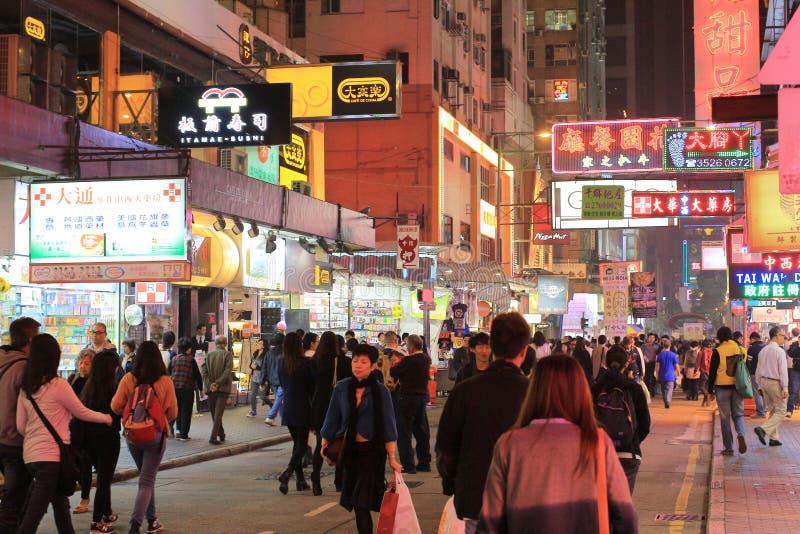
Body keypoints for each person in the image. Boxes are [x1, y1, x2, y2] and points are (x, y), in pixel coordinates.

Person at [477, 354, 637, 533]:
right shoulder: (597, 441)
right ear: (580, 391)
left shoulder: (510, 444)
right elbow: (625, 515)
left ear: (534, 390)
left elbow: (490, 520)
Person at [436, 312, 531, 532]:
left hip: (476, 498)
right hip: (523, 500)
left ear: (492, 348)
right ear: (524, 351)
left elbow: (446, 448)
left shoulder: (464, 391)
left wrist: (453, 484)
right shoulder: (535, 394)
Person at [15, 334, 113, 534]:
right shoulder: (58, 385)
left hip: (31, 457)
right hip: (51, 459)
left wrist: (36, 437)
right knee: (34, 514)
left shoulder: (26, 388)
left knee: (61, 507)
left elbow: (20, 426)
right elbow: (81, 412)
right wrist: (105, 418)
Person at [320, 344, 401, 534]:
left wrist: (392, 457)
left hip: (372, 453)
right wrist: (324, 446)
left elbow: (389, 425)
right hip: (350, 453)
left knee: (361, 502)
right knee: (358, 505)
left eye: (363, 362)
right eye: (355, 360)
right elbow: (331, 418)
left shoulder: (381, 391)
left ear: (373, 366)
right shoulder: (341, 387)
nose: (357, 365)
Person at [111, 340, 177, 534]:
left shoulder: (128, 379)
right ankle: (135, 524)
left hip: (132, 436)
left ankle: (153, 520)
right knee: (147, 481)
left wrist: (133, 413)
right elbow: (173, 412)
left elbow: (115, 406)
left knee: (146, 479)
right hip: (155, 436)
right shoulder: (165, 381)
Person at [0, 317, 41, 532]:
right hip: (15, 441)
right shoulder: (25, 367)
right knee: (14, 501)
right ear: (30, 340)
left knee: (16, 496)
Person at [76, 349, 123, 533]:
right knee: (104, 480)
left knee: (104, 477)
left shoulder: (89, 388)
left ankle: (107, 513)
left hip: (88, 440)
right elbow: (118, 413)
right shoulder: (113, 388)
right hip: (108, 439)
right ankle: (96, 523)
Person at [592, 346, 651, 494]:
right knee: (622, 506)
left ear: (605, 362)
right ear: (627, 364)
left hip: (599, 452)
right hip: (628, 453)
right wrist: (631, 439)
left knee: (601, 505)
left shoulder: (595, 389)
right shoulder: (635, 389)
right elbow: (645, 424)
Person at [277, 332, 314, 494]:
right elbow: (311, 386)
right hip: (303, 406)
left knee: (297, 444)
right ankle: (288, 473)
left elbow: (282, 383)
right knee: (301, 445)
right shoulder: (305, 363)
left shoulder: (282, 362)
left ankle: (300, 481)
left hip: (288, 405)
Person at [390, 334, 432, 473]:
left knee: (404, 432)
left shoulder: (408, 360)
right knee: (421, 431)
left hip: (407, 398)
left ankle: (408, 465)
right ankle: (424, 462)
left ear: (412, 346)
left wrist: (395, 364)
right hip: (421, 398)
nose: (406, 348)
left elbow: (393, 372)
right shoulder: (426, 359)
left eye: (407, 345)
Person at [708, 326, 748, 456]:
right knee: (739, 414)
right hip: (738, 386)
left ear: (719, 337)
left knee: (725, 418)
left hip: (722, 387)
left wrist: (710, 391)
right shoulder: (741, 349)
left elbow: (712, 372)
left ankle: (729, 447)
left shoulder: (718, 351)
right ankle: (741, 434)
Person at [309, 331, 340, 496]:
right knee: (339, 441)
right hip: (335, 404)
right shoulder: (338, 361)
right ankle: (338, 480)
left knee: (321, 443)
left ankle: (316, 480)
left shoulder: (314, 361)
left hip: (319, 405)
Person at [69, 348, 96, 515]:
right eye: (81, 362)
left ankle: (85, 498)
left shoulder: (96, 382)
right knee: (76, 463)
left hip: (91, 429)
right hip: (74, 427)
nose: (82, 366)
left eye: (87, 363)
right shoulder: (73, 379)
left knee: (85, 463)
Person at [754, 326, 789, 447]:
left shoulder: (763, 350)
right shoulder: (779, 351)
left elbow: (758, 369)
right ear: (777, 336)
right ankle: (763, 429)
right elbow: (783, 371)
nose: (784, 338)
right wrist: (785, 388)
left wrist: (759, 386)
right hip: (775, 383)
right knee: (782, 411)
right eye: (783, 336)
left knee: (772, 410)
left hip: (764, 382)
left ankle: (773, 439)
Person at [201, 335, 233, 445]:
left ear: (215, 343)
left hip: (211, 389)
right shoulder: (227, 354)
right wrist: (218, 383)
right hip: (223, 388)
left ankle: (222, 434)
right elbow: (227, 371)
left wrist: (211, 384)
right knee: (218, 414)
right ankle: (213, 437)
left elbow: (204, 371)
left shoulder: (209, 354)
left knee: (214, 413)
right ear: (225, 344)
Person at [169, 337, 202, 441]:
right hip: (187, 390)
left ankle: (178, 431)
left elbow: (169, 372)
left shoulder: (174, 359)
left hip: (175, 389)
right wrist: (201, 389)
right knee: (186, 412)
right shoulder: (191, 360)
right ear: (189, 349)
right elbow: (197, 375)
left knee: (178, 410)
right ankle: (184, 435)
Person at [263, 331, 285, 427]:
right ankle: (270, 417)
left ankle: (284, 419)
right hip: (282, 379)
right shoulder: (284, 353)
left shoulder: (269, 353)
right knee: (279, 398)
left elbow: (264, 367)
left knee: (278, 399)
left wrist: (262, 381)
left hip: (272, 379)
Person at [655, 339, 681, 409]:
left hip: (662, 375)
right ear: (670, 345)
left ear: (663, 346)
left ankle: (665, 401)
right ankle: (668, 401)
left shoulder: (660, 355)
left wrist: (657, 375)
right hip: (670, 375)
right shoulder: (673, 355)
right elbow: (676, 365)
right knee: (669, 389)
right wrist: (679, 373)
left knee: (663, 390)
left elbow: (657, 366)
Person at [747, 331, 767, 418]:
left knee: (757, 392)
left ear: (752, 339)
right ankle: (764, 410)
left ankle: (760, 412)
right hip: (766, 374)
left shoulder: (752, 348)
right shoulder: (766, 347)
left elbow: (748, 362)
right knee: (763, 392)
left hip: (755, 373)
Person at [247, 337, 269, 417]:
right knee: (252, 395)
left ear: (264, 345)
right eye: (258, 343)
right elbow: (251, 364)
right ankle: (253, 411)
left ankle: (272, 406)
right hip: (254, 377)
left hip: (262, 378)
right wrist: (251, 368)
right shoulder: (255, 353)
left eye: (260, 343)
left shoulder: (267, 354)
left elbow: (266, 367)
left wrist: (256, 367)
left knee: (262, 396)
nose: (258, 345)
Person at [784, 327, 800, 418]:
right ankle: (789, 410)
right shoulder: (794, 344)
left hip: (793, 369)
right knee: (794, 390)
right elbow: (791, 354)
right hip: (795, 370)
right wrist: (798, 346)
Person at [698, 340, 713, 407]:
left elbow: (698, 362)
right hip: (711, 372)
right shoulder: (712, 352)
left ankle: (706, 396)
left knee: (701, 387)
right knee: (706, 388)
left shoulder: (701, 352)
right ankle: (706, 403)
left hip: (703, 371)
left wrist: (695, 370)